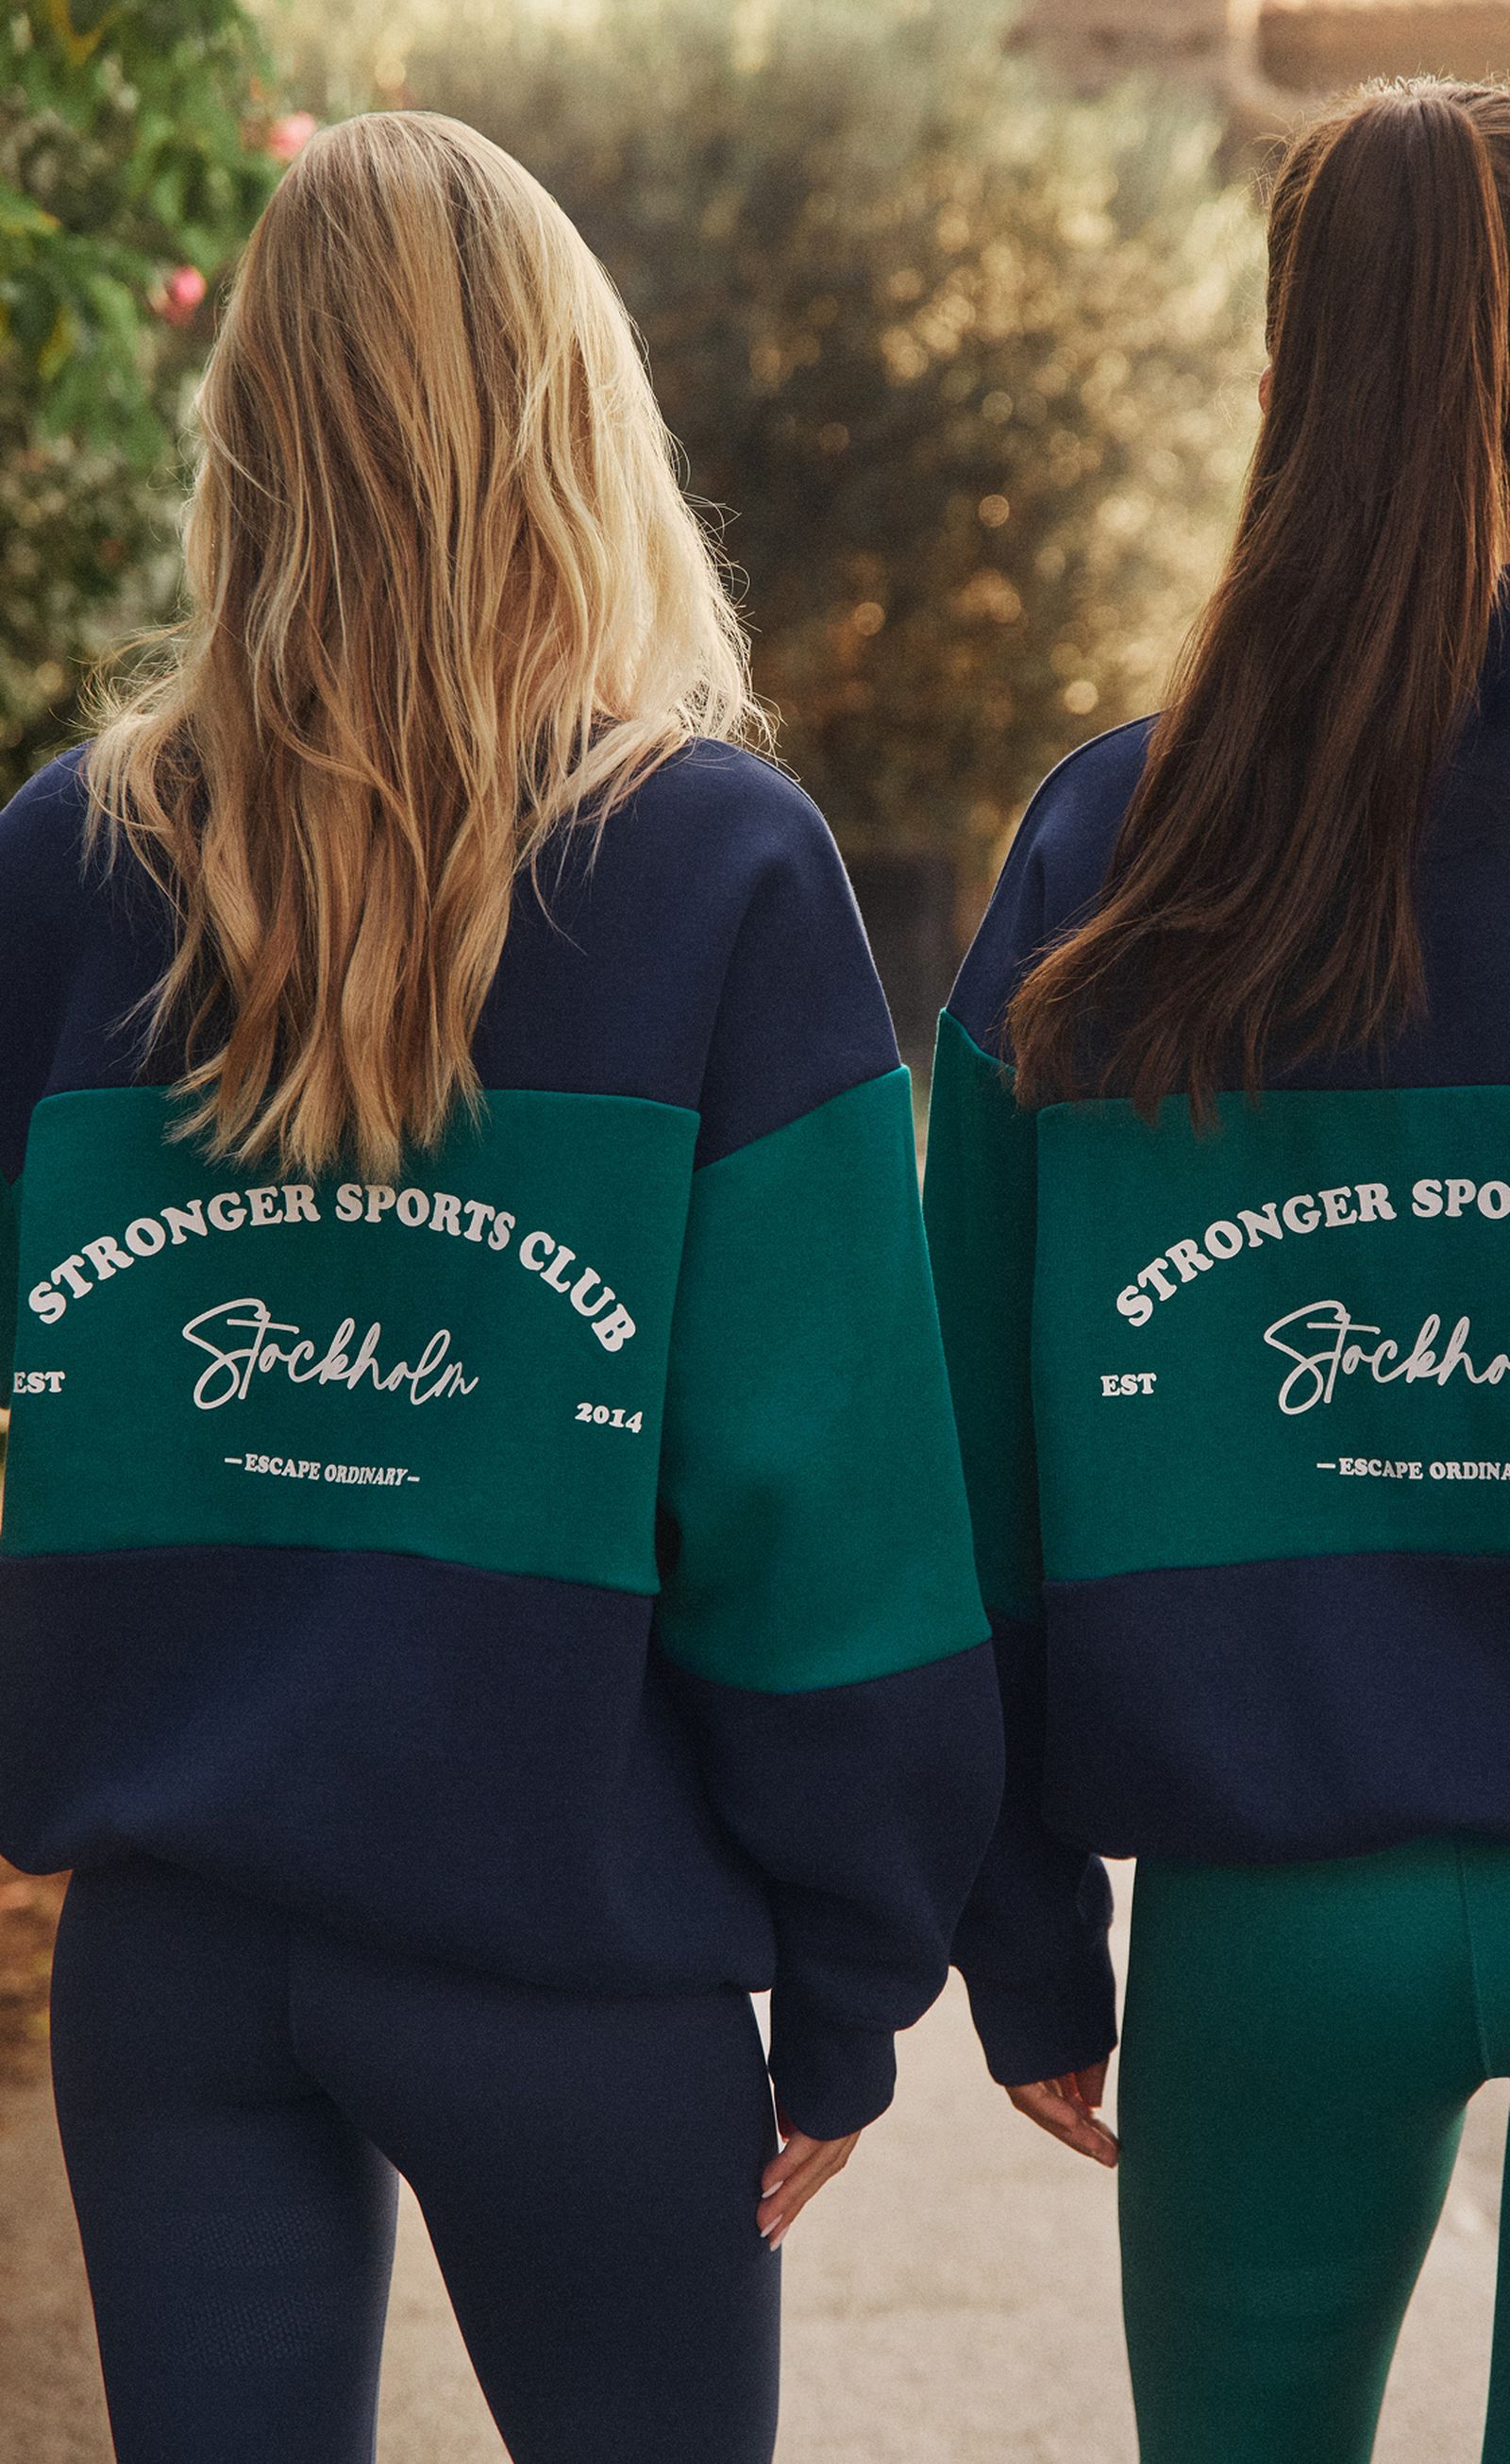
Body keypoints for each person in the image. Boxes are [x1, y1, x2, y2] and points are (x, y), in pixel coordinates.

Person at [0, 111, 1003, 2464]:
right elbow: (821, 1495)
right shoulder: (718, 866)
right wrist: (857, 1967)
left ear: (246, 436)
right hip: (580, 1962)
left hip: (169, 1951)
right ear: (579, 422)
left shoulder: (72, 857)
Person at [925, 76, 1510, 2464]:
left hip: (1271, 1922)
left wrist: (1023, 1928)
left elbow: (958, 1440)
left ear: (1272, 387)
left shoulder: (1104, 845)